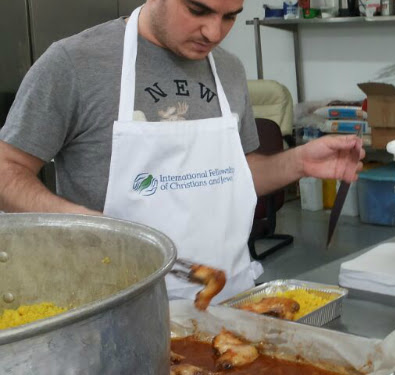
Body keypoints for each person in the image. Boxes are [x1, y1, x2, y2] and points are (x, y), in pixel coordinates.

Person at [0, 0, 364, 302]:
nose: (214, 32)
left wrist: (298, 161)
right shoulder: (75, 63)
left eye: (230, 16)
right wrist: (78, 221)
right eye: (198, 10)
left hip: (231, 301)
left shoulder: (229, 69)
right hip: (120, 309)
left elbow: (235, 175)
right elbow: (7, 169)